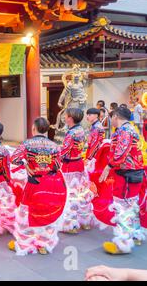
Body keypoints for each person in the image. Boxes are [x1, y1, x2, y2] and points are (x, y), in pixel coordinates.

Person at [9, 117, 67, 255]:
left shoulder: (27, 144)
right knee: (46, 211)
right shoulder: (54, 146)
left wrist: (26, 164)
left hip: (34, 183)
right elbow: (58, 165)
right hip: (49, 183)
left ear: (33, 128)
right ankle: (43, 244)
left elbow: (14, 159)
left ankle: (26, 242)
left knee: (27, 213)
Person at [98, 106, 145, 254]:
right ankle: (135, 235)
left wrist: (108, 166)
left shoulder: (124, 131)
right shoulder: (132, 129)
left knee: (122, 207)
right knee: (131, 204)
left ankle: (123, 243)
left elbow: (121, 153)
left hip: (126, 174)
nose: (111, 120)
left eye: (112, 117)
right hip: (133, 172)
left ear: (116, 116)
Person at [60, 108, 94, 233]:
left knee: (70, 194)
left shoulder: (71, 133)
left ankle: (71, 224)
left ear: (70, 118)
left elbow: (64, 151)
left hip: (70, 166)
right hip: (79, 162)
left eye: (66, 115)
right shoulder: (81, 130)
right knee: (81, 191)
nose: (64, 117)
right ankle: (84, 221)